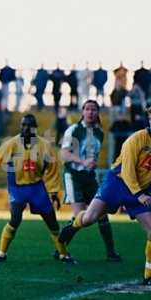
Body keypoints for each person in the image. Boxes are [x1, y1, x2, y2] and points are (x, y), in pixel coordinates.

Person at [58, 104, 151, 285]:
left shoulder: (99, 132)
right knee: (89, 218)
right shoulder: (136, 139)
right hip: (117, 182)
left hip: (139, 189)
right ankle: (73, 225)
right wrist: (139, 194)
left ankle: (148, 275)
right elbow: (128, 170)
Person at [0, 114, 74, 263]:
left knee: (52, 221)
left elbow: (52, 169)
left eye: (29, 125)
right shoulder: (11, 144)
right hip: (17, 187)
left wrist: (53, 192)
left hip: (37, 187)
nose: (25, 128)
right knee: (15, 219)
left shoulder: (45, 146)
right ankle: (1, 253)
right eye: (23, 125)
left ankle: (63, 254)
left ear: (35, 128)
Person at [61, 100, 121, 261]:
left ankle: (111, 252)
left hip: (90, 178)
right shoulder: (73, 129)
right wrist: (83, 162)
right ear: (82, 112)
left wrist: (91, 163)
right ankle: (60, 248)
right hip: (73, 176)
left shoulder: (99, 132)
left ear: (97, 113)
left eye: (94, 110)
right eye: (87, 109)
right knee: (80, 216)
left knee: (102, 214)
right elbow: (64, 154)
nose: (90, 112)